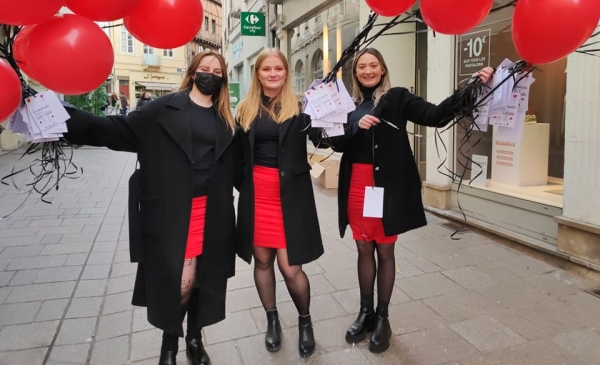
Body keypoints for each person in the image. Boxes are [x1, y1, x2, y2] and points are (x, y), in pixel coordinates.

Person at [63, 51, 239, 365]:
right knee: (179, 283)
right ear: (193, 71)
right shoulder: (162, 108)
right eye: (204, 68)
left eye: (217, 71)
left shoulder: (226, 119)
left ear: (223, 78)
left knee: (205, 278)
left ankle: (195, 338)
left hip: (212, 214)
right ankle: (169, 345)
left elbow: (241, 165)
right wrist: (62, 116)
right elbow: (116, 130)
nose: (210, 74)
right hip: (173, 213)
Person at [327, 47, 493, 354]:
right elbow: (335, 143)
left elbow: (435, 115)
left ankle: (383, 318)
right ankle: (365, 312)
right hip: (357, 184)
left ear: (382, 69)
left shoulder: (398, 98)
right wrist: (353, 126)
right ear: (355, 72)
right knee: (363, 246)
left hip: (385, 185)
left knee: (385, 249)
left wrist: (469, 89)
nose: (367, 71)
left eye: (373, 65)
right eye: (361, 66)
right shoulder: (347, 103)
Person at [235, 48, 324, 358]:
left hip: (290, 196)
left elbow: (325, 139)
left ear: (286, 73)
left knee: (291, 267)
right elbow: (236, 157)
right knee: (262, 261)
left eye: (278, 69)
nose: (273, 74)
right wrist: (245, 186)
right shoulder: (244, 109)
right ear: (257, 74)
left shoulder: (301, 106)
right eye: (266, 69)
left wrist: (338, 115)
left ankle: (304, 321)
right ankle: (272, 320)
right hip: (257, 195)